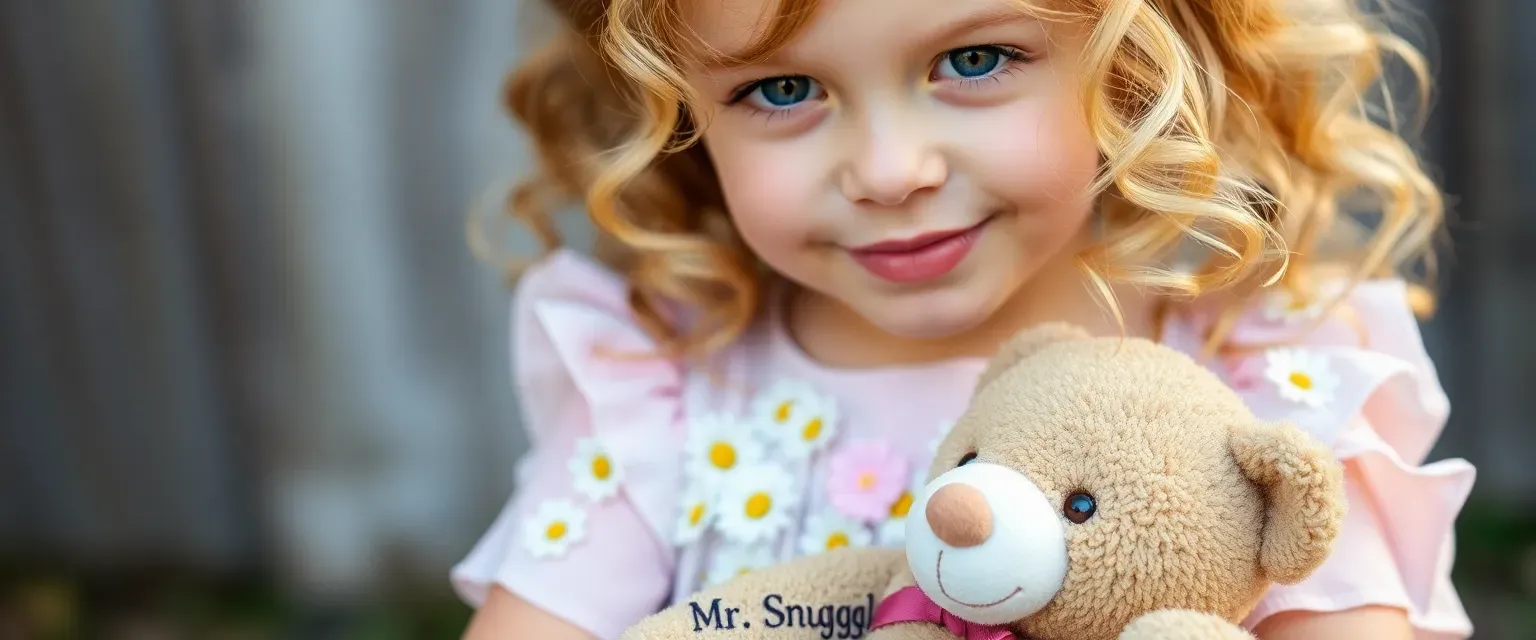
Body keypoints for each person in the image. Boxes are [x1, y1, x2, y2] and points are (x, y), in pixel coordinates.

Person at [452, 0, 1477, 638]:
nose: (892, 171)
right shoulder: (665, 381)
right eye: (783, 87)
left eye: (975, 60)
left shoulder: (1259, 367)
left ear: (1129, 51)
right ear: (680, 110)